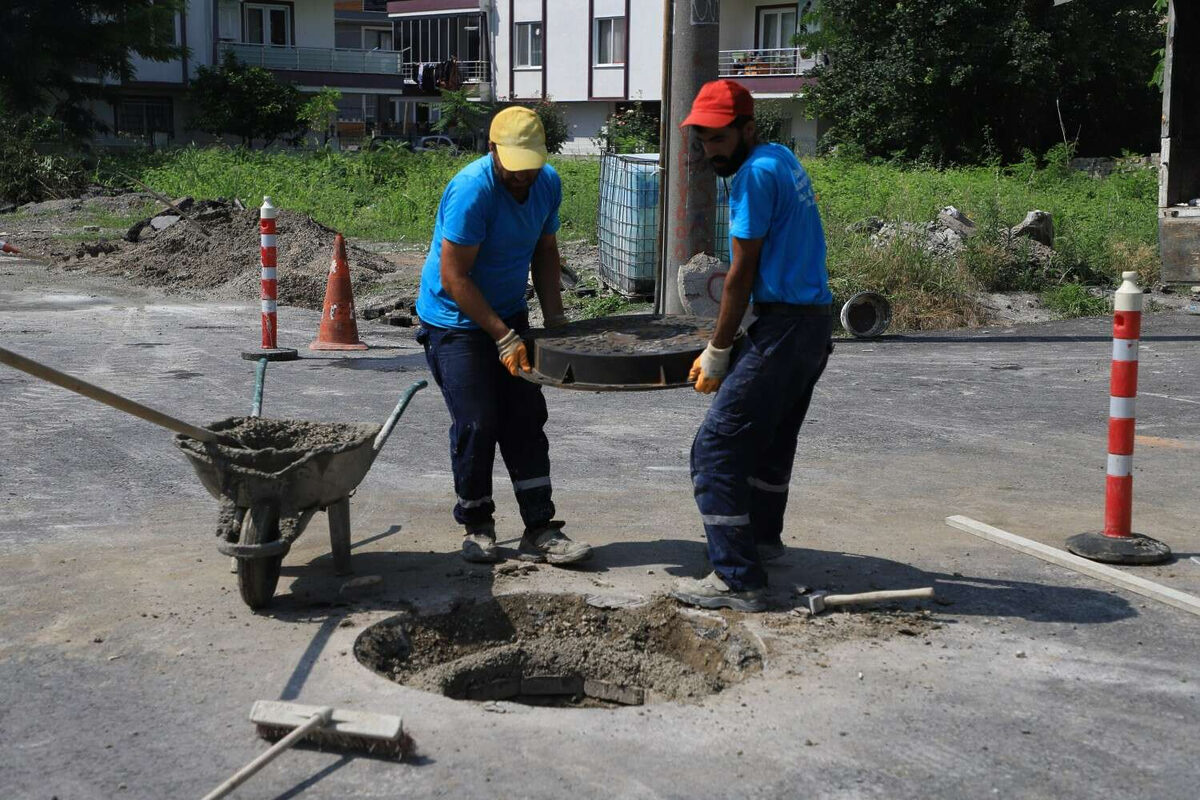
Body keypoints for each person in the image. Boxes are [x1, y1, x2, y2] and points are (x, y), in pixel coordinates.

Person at [671, 80, 834, 612]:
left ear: (747, 129)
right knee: (770, 438)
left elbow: (740, 274)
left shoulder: (754, 175)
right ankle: (763, 542)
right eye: (702, 139)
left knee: (716, 448)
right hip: (811, 324)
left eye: (717, 139)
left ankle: (738, 580)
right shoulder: (779, 158)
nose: (708, 150)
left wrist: (718, 350)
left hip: (786, 327)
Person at [414, 106, 591, 566]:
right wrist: (502, 336)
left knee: (525, 419)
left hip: (509, 311)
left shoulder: (547, 183)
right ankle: (477, 526)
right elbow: (455, 278)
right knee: (477, 422)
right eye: (513, 167)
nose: (522, 177)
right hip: (453, 320)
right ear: (492, 150)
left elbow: (546, 250)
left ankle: (540, 527)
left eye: (530, 165)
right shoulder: (473, 191)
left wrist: (554, 319)